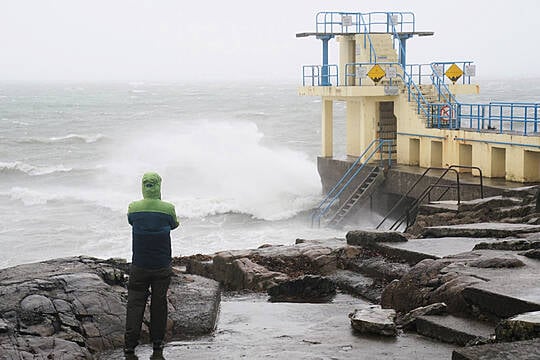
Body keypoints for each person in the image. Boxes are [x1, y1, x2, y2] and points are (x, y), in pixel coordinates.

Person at [124, 172, 179, 357]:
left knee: (135, 304)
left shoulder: (133, 208)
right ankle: (157, 343)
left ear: (143, 186)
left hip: (139, 265)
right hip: (162, 265)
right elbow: (174, 224)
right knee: (159, 303)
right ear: (159, 186)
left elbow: (131, 221)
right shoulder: (168, 208)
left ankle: (130, 345)